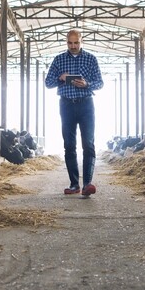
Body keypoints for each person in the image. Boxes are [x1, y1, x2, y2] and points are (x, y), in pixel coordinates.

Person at [44, 28, 104, 196]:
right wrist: (60, 78)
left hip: (86, 105)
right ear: (66, 42)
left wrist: (87, 84)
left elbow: (100, 83)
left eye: (76, 42)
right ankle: (74, 184)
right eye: (70, 43)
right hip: (66, 105)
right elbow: (48, 83)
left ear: (81, 41)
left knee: (88, 144)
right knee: (69, 145)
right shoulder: (59, 60)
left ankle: (87, 184)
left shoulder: (91, 59)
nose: (73, 46)